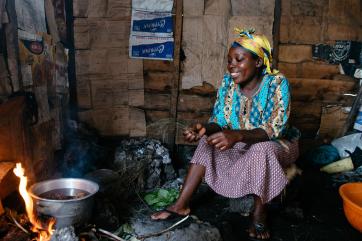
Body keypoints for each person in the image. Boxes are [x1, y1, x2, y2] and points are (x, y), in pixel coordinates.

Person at [151, 28, 300, 240]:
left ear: (258, 63)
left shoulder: (277, 84)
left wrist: (237, 135)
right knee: (206, 142)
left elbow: (275, 129)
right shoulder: (228, 83)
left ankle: (259, 214)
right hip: (241, 143)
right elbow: (220, 120)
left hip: (278, 146)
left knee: (261, 149)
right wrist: (204, 128)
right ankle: (180, 205)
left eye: (239, 60)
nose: (232, 65)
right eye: (230, 60)